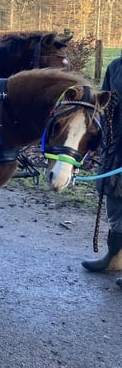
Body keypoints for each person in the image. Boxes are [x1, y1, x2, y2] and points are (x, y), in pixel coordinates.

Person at [83, 51, 122, 281]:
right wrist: (107, 103)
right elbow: (102, 103)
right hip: (115, 145)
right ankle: (114, 258)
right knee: (115, 201)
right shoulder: (116, 66)